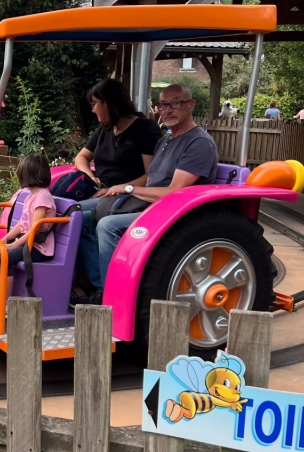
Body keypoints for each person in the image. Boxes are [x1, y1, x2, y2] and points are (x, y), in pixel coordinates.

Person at [74, 84, 219, 305]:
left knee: (108, 225)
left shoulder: (198, 143)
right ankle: (100, 286)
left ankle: (115, 298)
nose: (168, 109)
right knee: (78, 219)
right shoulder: (166, 140)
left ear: (191, 105)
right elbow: (152, 178)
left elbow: (174, 193)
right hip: (149, 206)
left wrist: (128, 188)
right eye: (163, 104)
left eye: (176, 103)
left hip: (172, 213)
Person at [73, 79, 161, 212]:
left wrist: (115, 189)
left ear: (107, 103)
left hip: (126, 196)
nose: (92, 110)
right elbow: (81, 157)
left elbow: (151, 176)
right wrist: (90, 178)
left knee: (72, 214)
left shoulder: (145, 129)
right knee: (58, 204)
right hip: (100, 191)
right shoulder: (105, 128)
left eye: (94, 104)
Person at [0, 154, 55, 319]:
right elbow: (22, 223)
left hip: (38, 248)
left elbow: (35, 228)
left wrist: (13, 246)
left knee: (7, 257)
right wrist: (6, 238)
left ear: (27, 174)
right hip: (28, 243)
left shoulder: (43, 197)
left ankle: (5, 304)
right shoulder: (30, 197)